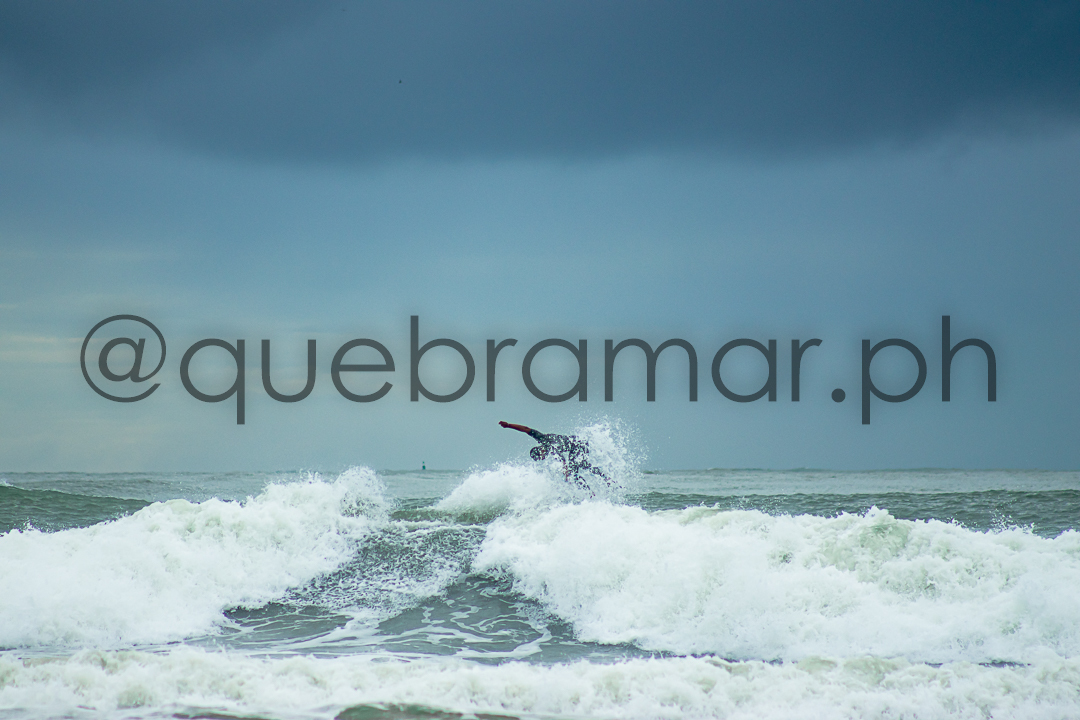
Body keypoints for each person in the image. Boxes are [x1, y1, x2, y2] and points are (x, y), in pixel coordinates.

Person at [499, 421, 610, 489]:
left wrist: (508, 425)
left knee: (576, 469)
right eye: (541, 458)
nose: (543, 458)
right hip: (576, 446)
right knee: (579, 468)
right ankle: (605, 480)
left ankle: (594, 489)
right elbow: (562, 460)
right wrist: (566, 472)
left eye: (541, 457)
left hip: (578, 443)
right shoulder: (550, 449)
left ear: (540, 451)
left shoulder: (542, 438)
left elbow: (526, 429)